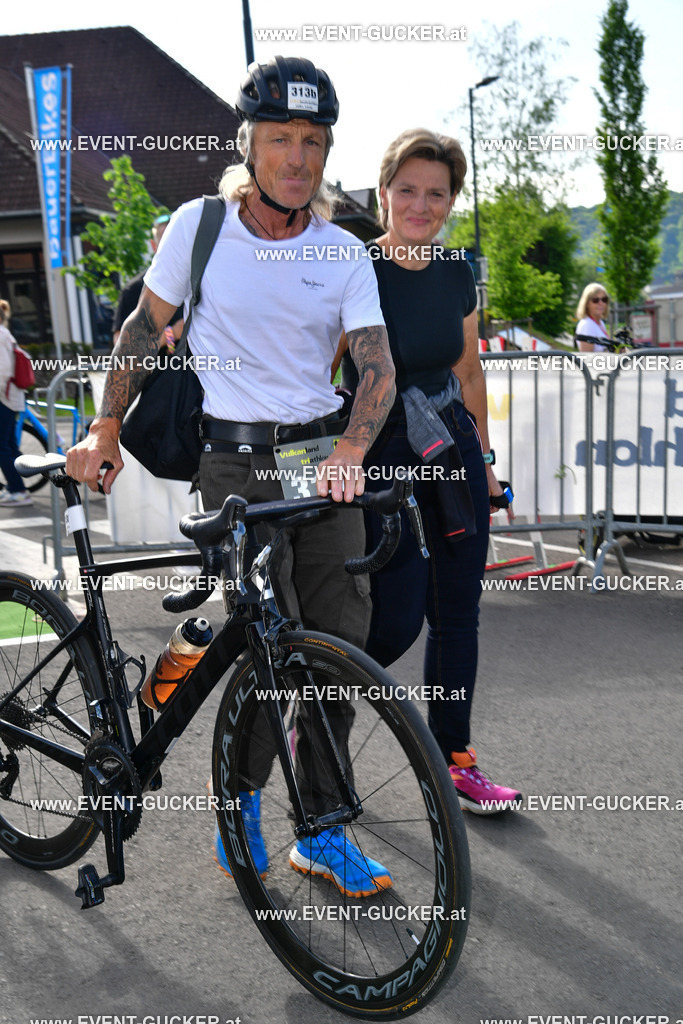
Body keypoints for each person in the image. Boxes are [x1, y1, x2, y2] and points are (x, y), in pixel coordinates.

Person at [66, 56, 396, 894]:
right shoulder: (201, 226)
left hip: (318, 459)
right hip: (234, 463)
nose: (298, 157)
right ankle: (241, 805)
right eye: (281, 139)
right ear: (250, 144)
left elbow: (376, 367)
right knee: (266, 641)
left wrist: (351, 450)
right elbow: (144, 327)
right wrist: (105, 424)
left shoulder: (342, 251)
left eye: (313, 141)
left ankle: (321, 828)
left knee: (337, 651)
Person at [337, 127, 521, 814]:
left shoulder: (454, 271)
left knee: (457, 611)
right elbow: (323, 367)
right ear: (384, 193)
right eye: (407, 190)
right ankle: (316, 728)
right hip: (378, 452)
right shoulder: (355, 268)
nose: (421, 205)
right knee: (393, 618)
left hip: (450, 448)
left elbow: (467, 372)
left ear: (450, 201)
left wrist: (488, 465)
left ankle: (454, 758)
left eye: (436, 193)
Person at [112, 214, 183, 348]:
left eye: (179, 239)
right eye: (167, 240)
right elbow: (121, 345)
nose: (174, 245)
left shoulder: (202, 284)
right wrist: (172, 334)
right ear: (154, 245)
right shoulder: (135, 289)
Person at [0, 299, 32, 507]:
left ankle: (18, 490)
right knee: (9, 445)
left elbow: (3, 371)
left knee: (3, 447)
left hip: (4, 398)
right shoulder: (5, 333)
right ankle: (16, 487)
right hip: (10, 397)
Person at [574, 283, 611, 352]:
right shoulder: (587, 325)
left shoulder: (600, 323)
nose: (601, 303)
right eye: (595, 300)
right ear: (587, 303)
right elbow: (587, 356)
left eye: (604, 299)